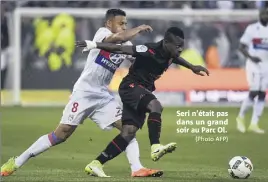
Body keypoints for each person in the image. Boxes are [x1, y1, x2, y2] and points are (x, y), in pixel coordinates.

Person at [1, 9, 161, 178]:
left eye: (125, 24)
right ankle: (17, 162)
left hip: (103, 97)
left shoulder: (126, 46)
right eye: (120, 23)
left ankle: (136, 168)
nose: (124, 27)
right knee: (61, 134)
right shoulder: (102, 34)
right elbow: (117, 39)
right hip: (83, 93)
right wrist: (138, 29)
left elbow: (139, 59)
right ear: (109, 24)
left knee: (128, 128)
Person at [77, 26, 209, 176]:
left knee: (128, 132)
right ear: (166, 42)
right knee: (156, 106)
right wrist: (94, 44)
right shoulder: (148, 50)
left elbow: (176, 58)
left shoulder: (171, 53)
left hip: (140, 90)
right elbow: (120, 49)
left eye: (182, 46)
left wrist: (192, 67)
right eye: (177, 46)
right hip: (131, 86)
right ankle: (155, 147)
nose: (180, 50)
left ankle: (96, 163)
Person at [236, 8, 268, 134]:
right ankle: (241, 117)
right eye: (264, 13)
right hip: (253, 65)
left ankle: (254, 123)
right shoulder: (252, 28)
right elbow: (241, 47)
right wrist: (251, 57)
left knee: (262, 94)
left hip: (266, 65)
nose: (266, 16)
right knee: (254, 91)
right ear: (260, 15)